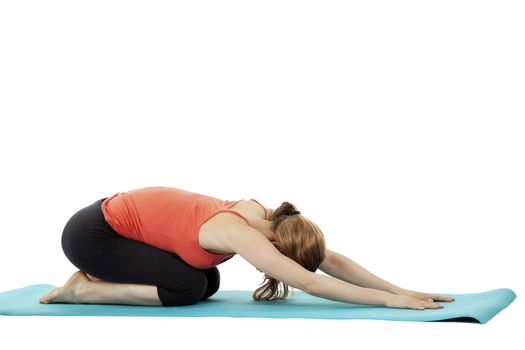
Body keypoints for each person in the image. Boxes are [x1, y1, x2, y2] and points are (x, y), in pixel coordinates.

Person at [39, 185, 454, 310]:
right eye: (278, 256)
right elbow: (311, 282)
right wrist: (386, 303)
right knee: (186, 288)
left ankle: (89, 286)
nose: (273, 264)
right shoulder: (238, 232)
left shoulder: (273, 217)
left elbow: (329, 261)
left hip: (118, 226)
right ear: (275, 242)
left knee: (206, 281)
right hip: (93, 236)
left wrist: (401, 289)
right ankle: (82, 289)